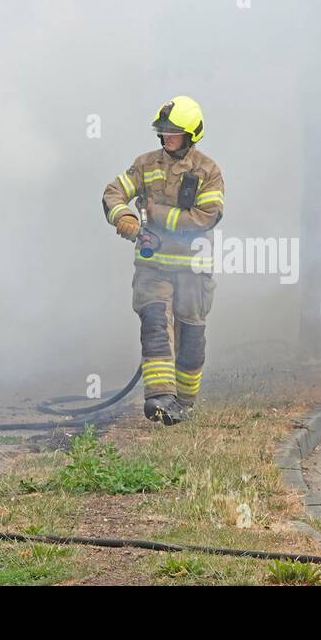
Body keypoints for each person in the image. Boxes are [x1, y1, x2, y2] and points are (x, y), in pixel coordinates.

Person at [101, 96, 225, 425]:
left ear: (191, 134)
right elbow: (112, 193)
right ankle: (159, 397)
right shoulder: (145, 165)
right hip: (152, 266)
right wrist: (125, 219)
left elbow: (206, 216)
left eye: (173, 132)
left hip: (193, 270)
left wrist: (158, 214)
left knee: (191, 339)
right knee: (154, 325)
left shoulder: (207, 171)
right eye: (163, 131)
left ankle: (183, 403)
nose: (165, 137)